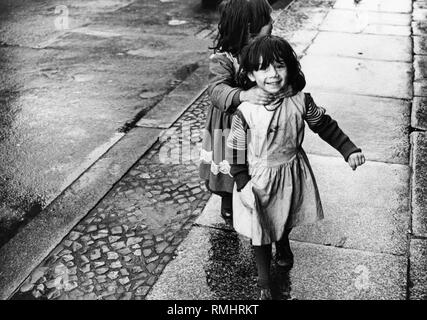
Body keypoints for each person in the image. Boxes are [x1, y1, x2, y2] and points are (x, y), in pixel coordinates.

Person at [226, 35, 365, 299]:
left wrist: (348, 150)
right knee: (261, 227)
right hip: (259, 178)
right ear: (251, 75)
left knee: (285, 217)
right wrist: (241, 180)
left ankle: (284, 241)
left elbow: (324, 125)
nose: (273, 74)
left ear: (290, 67)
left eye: (279, 65)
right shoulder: (245, 111)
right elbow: (234, 147)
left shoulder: (301, 101)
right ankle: (265, 281)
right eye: (263, 68)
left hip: (291, 170)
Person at [199, 0, 305, 223]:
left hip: (259, 125)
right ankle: (228, 203)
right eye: (267, 22)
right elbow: (216, 90)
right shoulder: (224, 59)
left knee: (254, 166)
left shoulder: (266, 51)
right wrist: (243, 95)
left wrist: (289, 87)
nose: (272, 24)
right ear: (248, 29)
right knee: (229, 167)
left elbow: (292, 72)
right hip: (228, 124)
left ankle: (260, 198)